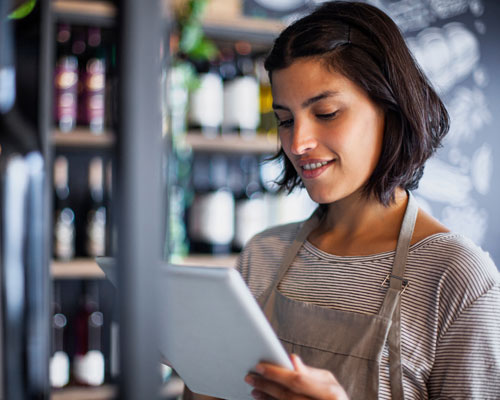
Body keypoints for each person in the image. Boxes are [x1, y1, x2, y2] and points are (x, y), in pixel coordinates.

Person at [184, 1, 500, 399]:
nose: (297, 143)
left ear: (391, 109)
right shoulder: (262, 256)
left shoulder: (456, 278)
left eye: (327, 112)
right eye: (285, 120)